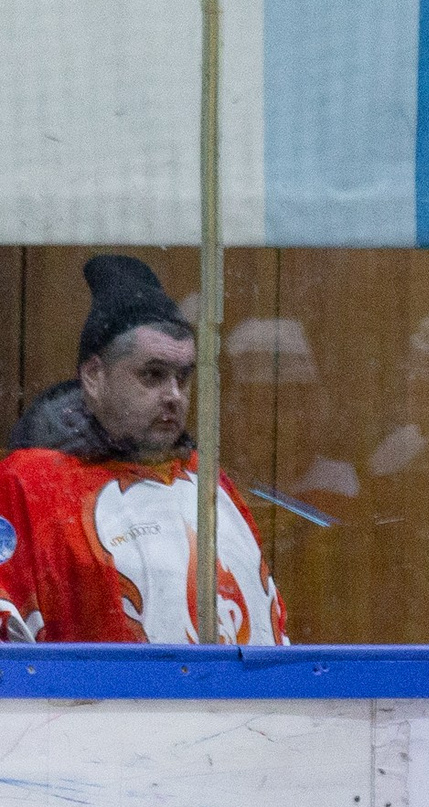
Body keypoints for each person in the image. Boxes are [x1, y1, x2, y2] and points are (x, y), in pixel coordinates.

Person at [0, 255, 286, 643]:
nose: (173, 396)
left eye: (183, 378)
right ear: (94, 377)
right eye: (152, 375)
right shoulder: (31, 483)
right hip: (96, 704)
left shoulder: (208, 481)